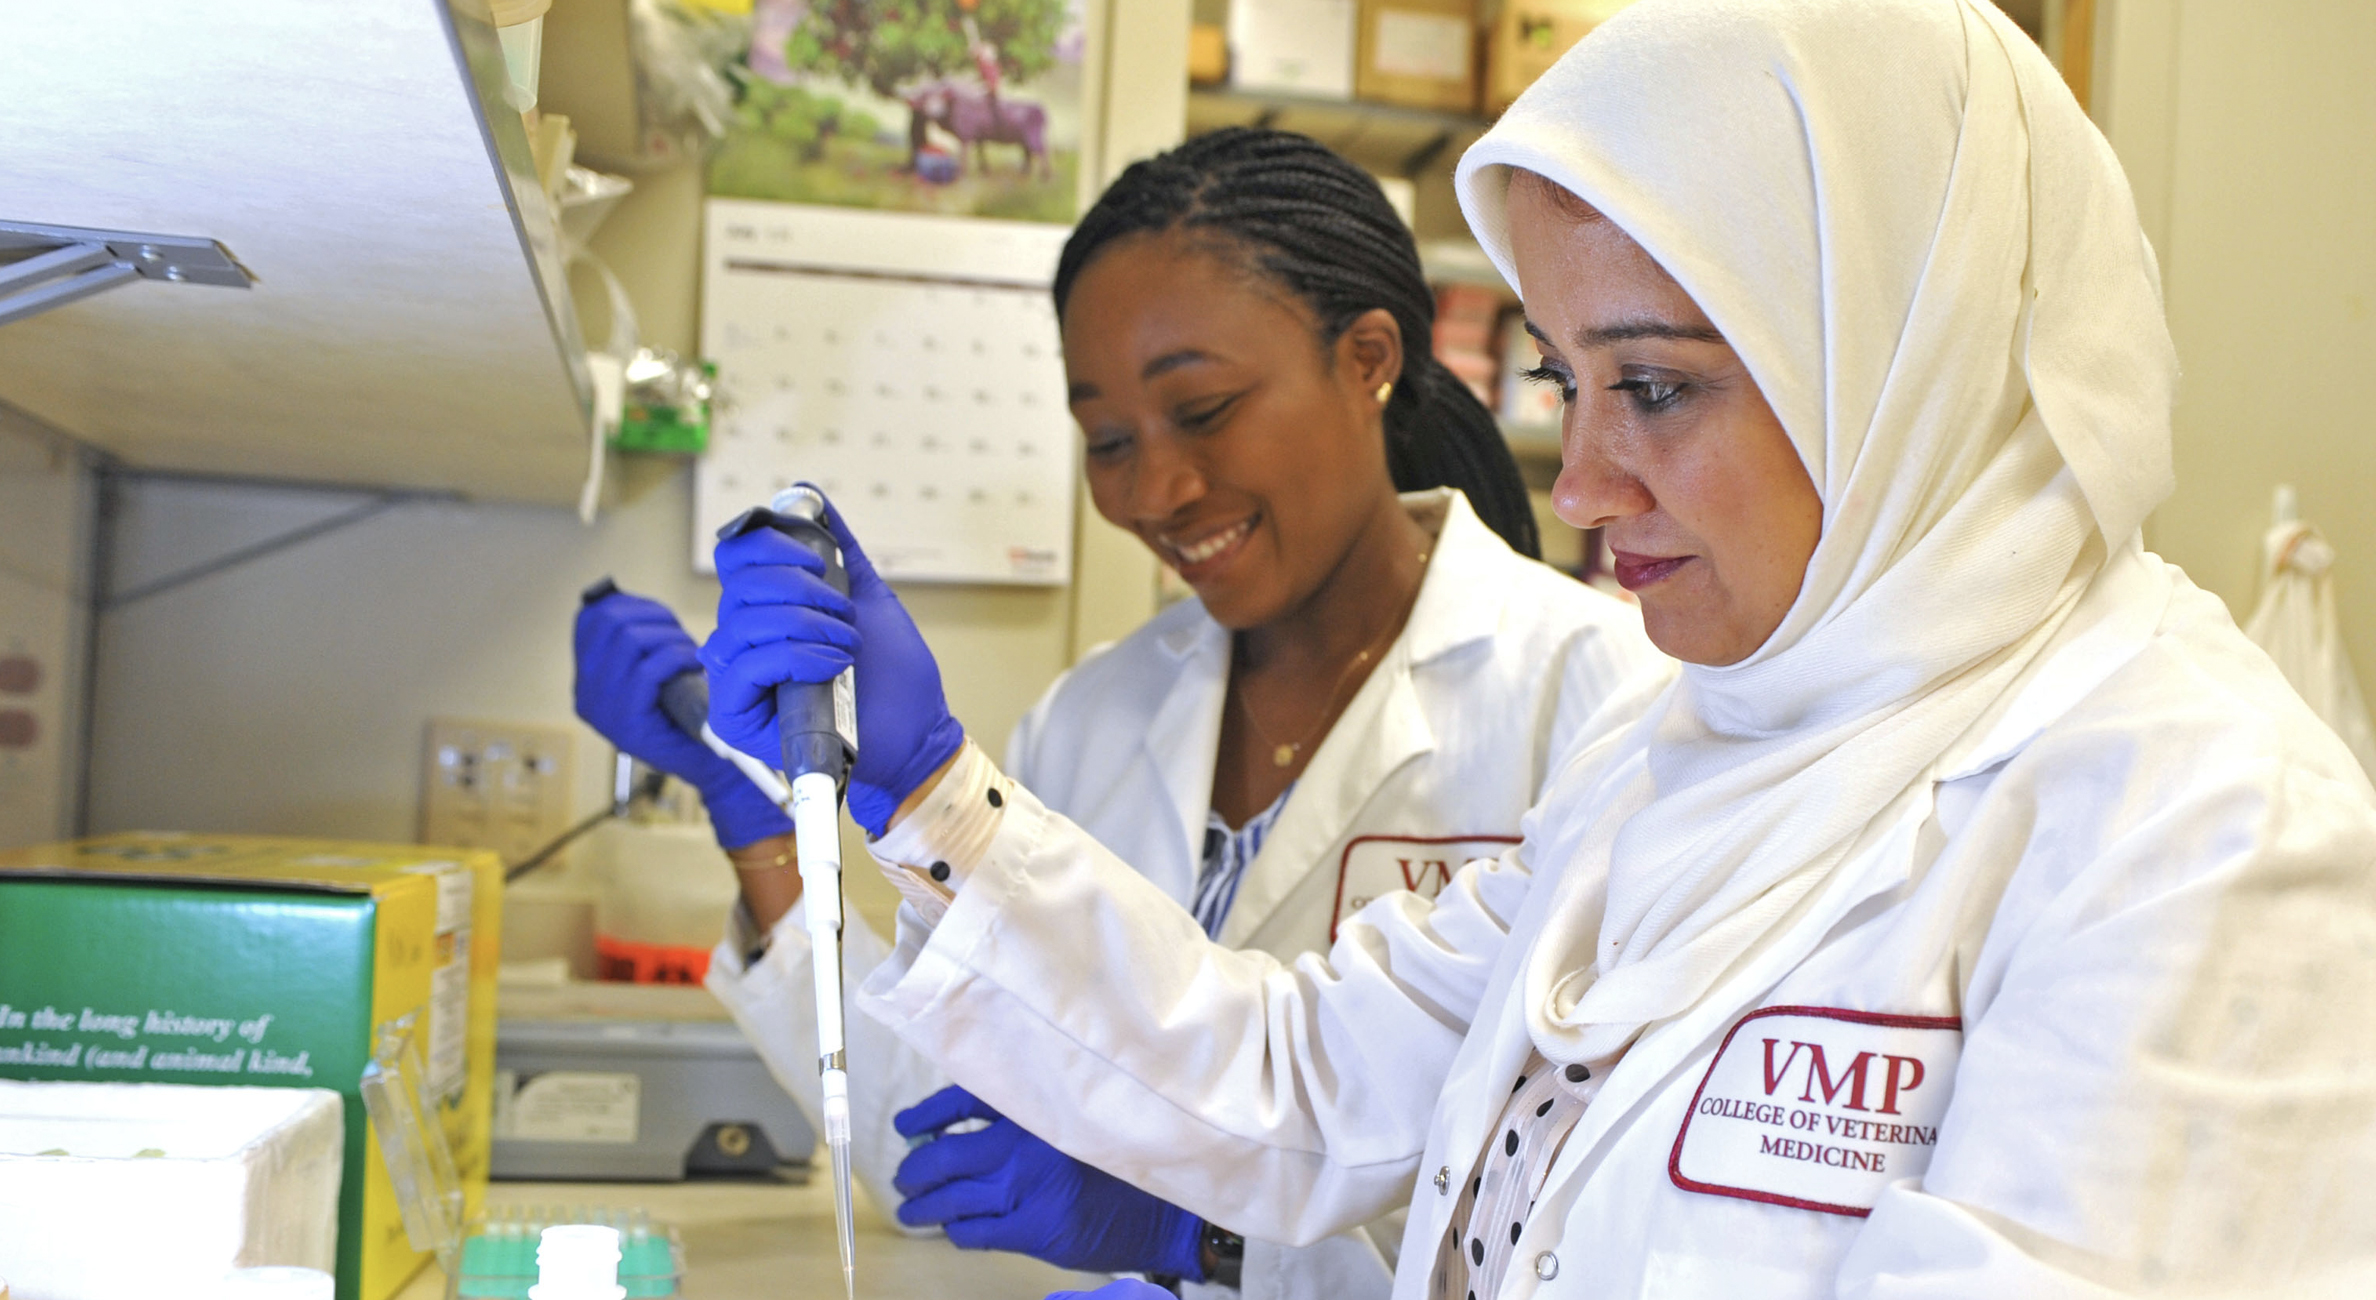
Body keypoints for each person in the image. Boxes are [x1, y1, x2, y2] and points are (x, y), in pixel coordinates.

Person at [701, 1, 2376, 1296]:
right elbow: (1298, 1078)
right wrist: (929, 797)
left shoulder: (2193, 821)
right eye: (1572, 387)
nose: (1575, 483)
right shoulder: (1675, 764)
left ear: (1901, 364)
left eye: (1654, 386)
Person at [578, 127, 1666, 1298]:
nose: (1155, 490)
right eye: (1107, 440)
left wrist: (1201, 1238)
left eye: (1201, 410)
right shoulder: (1095, 714)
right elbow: (927, 1140)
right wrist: (754, 812)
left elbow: (1587, 1230)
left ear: (1367, 361)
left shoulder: (1602, 705)